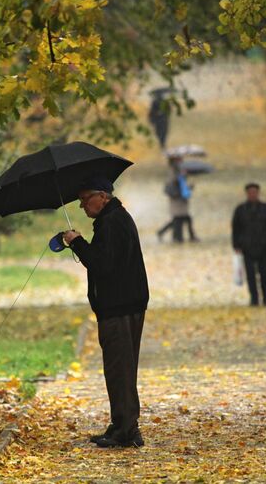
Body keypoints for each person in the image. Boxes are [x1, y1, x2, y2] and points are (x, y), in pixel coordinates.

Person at [63, 175, 149, 448]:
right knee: (120, 369)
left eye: (85, 200)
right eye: (81, 202)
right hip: (122, 305)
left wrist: (77, 242)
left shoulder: (112, 223)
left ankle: (126, 430)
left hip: (120, 308)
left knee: (119, 369)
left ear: (102, 196)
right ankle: (123, 424)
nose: (83, 206)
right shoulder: (112, 220)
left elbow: (102, 265)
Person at [232, 183, 266, 306]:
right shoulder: (240, 210)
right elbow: (235, 228)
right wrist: (236, 245)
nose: (253, 194)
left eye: (255, 192)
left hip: (263, 245)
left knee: (264, 274)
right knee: (250, 275)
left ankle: (265, 297)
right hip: (246, 247)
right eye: (250, 192)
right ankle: (254, 298)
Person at [157, 157, 198, 243]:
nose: (181, 160)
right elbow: (173, 183)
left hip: (180, 200)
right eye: (179, 159)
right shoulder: (173, 171)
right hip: (177, 200)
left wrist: (189, 187)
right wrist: (182, 176)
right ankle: (179, 238)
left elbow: (182, 185)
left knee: (181, 219)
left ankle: (169, 234)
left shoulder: (179, 170)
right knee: (179, 220)